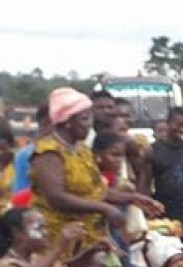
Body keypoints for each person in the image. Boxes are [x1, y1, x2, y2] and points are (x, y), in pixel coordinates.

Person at [31, 87, 160, 253]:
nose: (89, 124)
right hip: (60, 239)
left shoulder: (82, 149)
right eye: (84, 119)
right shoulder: (48, 151)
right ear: (68, 121)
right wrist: (104, 208)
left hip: (90, 236)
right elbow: (57, 197)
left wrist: (133, 198)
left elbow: (97, 190)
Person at [139, 107, 183, 265]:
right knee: (166, 255)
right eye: (177, 125)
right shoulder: (152, 150)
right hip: (164, 211)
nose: (181, 129)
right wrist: (145, 211)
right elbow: (144, 183)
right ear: (167, 124)